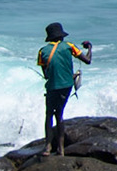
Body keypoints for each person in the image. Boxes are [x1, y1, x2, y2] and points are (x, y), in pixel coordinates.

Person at [37, 23, 93, 154]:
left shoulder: (42, 51)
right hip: (66, 86)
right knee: (59, 115)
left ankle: (48, 147)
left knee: (49, 114)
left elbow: (46, 75)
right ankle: (61, 149)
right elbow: (87, 60)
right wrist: (90, 48)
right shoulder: (69, 46)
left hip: (52, 86)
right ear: (61, 36)